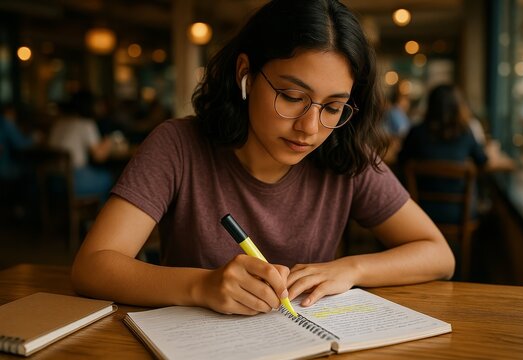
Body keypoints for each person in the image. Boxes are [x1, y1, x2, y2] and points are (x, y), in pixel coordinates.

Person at [72, 0, 454, 315]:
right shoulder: (178, 145)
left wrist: (351, 268)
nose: (310, 127)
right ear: (246, 75)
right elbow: (92, 266)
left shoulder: (345, 153)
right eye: (291, 97)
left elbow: (438, 255)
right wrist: (200, 285)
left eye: (334, 106)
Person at [398, 84, 488, 224]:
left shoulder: (417, 132)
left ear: (430, 105)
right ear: (458, 106)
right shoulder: (465, 133)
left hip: (420, 211)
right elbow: (483, 160)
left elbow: (401, 160)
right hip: (461, 213)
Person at [48, 90, 113, 203]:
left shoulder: (58, 124)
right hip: (75, 180)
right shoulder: (86, 124)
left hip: (52, 181)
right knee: (109, 179)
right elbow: (99, 156)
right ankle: (96, 216)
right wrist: (108, 142)